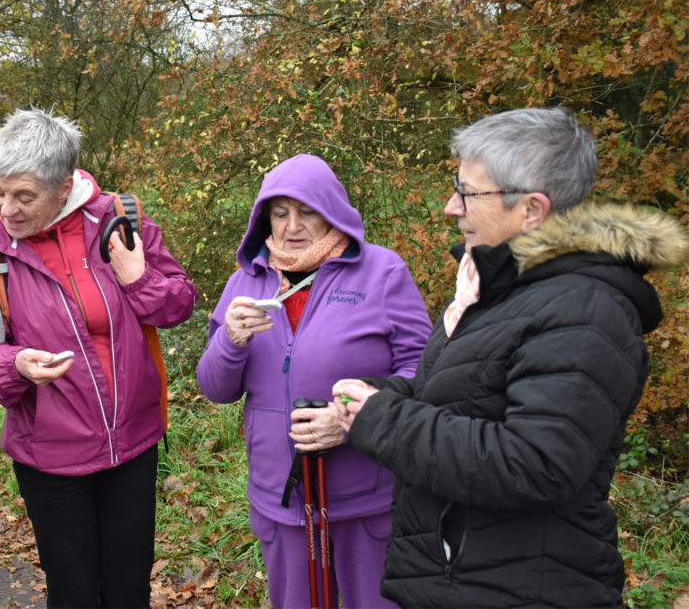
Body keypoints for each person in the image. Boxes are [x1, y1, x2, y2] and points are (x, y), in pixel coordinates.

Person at [333, 107, 689, 607]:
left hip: (519, 589)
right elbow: (462, 396)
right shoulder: (502, 289)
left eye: (467, 192)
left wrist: (385, 421)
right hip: (463, 581)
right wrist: (374, 397)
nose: (450, 207)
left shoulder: (583, 310)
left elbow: (536, 464)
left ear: (532, 210)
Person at [0, 107, 197, 608]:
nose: (6, 209)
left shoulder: (119, 220)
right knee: (73, 593)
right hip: (50, 455)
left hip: (132, 445)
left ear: (64, 187)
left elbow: (179, 305)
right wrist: (15, 365)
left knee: (129, 590)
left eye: (24, 196)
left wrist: (138, 279)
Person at [196, 153, 432, 608]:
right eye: (280, 213)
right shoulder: (246, 283)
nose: (292, 226)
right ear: (264, 218)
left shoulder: (381, 272)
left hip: (368, 500)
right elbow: (216, 389)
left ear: (331, 212)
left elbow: (423, 371)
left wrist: (348, 420)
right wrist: (230, 340)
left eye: (307, 211)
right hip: (281, 502)